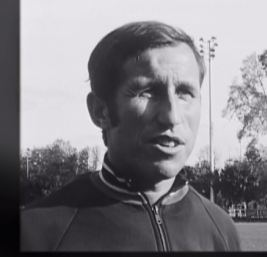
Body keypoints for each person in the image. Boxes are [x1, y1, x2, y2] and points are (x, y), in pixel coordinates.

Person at [20, 21, 241, 252]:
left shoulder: (221, 230)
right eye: (147, 92)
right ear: (100, 111)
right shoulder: (37, 233)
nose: (172, 116)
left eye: (185, 93)